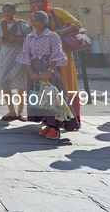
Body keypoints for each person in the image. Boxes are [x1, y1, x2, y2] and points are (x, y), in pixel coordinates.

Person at [16, 11, 80, 141]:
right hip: (34, 70)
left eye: (36, 21)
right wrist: (31, 73)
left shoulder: (53, 36)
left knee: (52, 97)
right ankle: (47, 123)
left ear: (45, 22)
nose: (33, 23)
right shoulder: (29, 37)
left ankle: (55, 127)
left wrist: (50, 71)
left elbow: (56, 54)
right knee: (39, 97)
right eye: (32, 20)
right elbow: (25, 55)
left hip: (49, 69)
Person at [30, 0, 83, 123]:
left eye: (38, 1)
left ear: (45, 1)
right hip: (43, 59)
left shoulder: (56, 12)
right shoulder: (34, 17)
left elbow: (77, 24)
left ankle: (72, 117)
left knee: (66, 84)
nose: (35, 4)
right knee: (48, 86)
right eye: (33, 2)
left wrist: (59, 32)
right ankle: (51, 118)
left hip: (60, 54)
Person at [0, 3, 31, 121]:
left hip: (19, 57)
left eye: (9, 11)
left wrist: (17, 39)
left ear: (15, 12)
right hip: (5, 57)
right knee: (4, 82)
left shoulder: (22, 25)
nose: (6, 14)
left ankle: (20, 111)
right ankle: (11, 111)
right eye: (4, 11)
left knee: (21, 84)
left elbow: (31, 40)